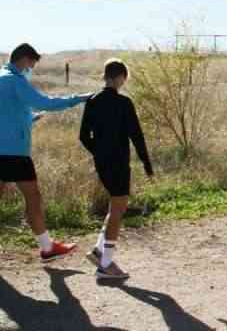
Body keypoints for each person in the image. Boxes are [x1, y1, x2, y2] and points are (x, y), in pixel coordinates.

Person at [0, 43, 91, 262]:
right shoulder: (14, 80)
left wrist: (30, 119)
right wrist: (77, 98)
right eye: (31, 64)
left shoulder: (1, 77)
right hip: (14, 153)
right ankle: (47, 247)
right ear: (23, 59)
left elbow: (7, 113)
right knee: (33, 197)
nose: (31, 68)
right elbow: (46, 102)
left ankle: (47, 246)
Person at [79, 58, 154, 280]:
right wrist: (147, 163)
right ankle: (106, 265)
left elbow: (83, 136)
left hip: (102, 163)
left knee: (116, 205)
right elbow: (137, 137)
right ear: (121, 77)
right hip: (119, 162)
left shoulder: (92, 101)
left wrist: (98, 152)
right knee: (119, 208)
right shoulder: (124, 103)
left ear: (105, 76)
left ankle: (98, 251)